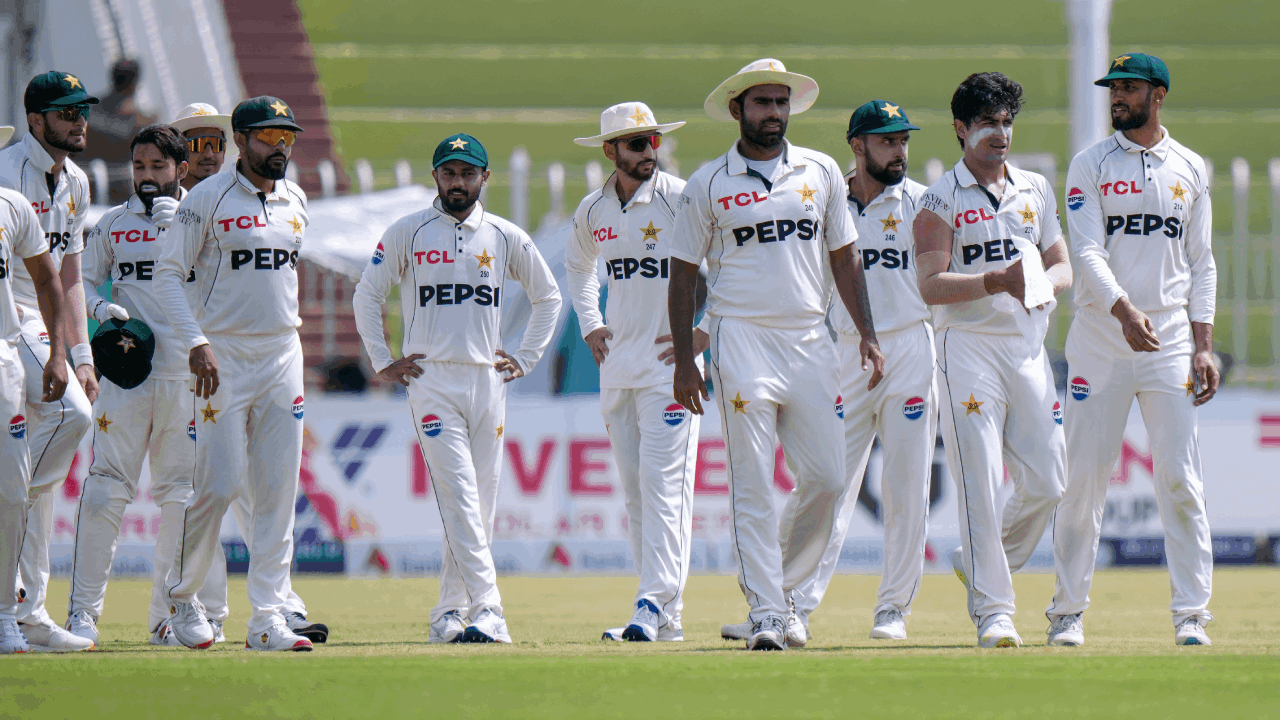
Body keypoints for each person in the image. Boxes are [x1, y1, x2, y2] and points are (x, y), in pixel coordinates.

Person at [668, 59, 885, 651]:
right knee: (754, 483)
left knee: (828, 476)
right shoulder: (708, 183)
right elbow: (683, 272)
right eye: (762, 103)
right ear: (738, 110)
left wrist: (866, 332)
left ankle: (784, 595)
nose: (774, 114)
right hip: (741, 338)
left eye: (781, 102)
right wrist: (687, 360)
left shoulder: (818, 171)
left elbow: (844, 257)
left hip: (811, 339)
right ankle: (765, 610)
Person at [724, 100, 936, 643]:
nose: (899, 151)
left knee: (907, 486)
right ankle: (786, 603)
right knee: (824, 485)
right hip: (840, 350)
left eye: (903, 140)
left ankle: (893, 609)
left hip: (909, 346)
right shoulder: (822, 199)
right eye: (887, 141)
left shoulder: (921, 203)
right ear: (858, 145)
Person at [353, 133, 561, 644]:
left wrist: (526, 357)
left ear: (484, 178)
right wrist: (383, 361)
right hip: (430, 379)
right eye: (449, 173)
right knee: (461, 493)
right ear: (435, 178)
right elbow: (367, 294)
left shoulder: (506, 235)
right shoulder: (409, 231)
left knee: (476, 502)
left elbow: (548, 297)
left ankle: (448, 612)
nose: (458, 183)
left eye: (468, 174)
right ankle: (490, 609)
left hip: (487, 379)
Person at [1047, 53, 1217, 647]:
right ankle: (1068, 611)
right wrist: (1122, 309)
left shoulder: (1191, 168)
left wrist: (1203, 347)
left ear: (1158, 94)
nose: (1117, 97)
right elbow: (1086, 252)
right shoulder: (1089, 164)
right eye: (1113, 88)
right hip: (1100, 337)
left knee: (1179, 479)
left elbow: (1202, 263)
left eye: (1129, 88)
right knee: (1084, 481)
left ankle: (1191, 614)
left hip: (1169, 339)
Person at [147, 101, 326, 645]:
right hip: (222, 355)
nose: (281, 147)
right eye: (269, 136)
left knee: (276, 492)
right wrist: (197, 341)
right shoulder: (206, 199)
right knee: (220, 484)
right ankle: (180, 601)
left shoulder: (295, 200)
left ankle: (269, 617)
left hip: (281, 355)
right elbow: (168, 275)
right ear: (242, 139)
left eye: (287, 138)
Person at [913, 72, 1073, 648]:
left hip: (1027, 348)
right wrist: (995, 281)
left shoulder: (1033, 188)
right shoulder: (939, 198)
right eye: (987, 123)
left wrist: (1041, 285)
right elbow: (930, 285)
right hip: (968, 350)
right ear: (961, 128)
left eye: (1007, 122)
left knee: (1051, 480)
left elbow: (1063, 266)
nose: (1000, 134)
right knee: (979, 480)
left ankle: (981, 560)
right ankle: (994, 613)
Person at [64, 124, 234, 647]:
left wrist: (176, 232)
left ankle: (170, 615)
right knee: (105, 490)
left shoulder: (207, 218)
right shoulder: (112, 224)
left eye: (158, 167)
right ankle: (82, 616)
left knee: (180, 497)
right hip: (128, 375)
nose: (146, 177)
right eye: (139, 167)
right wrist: (98, 308)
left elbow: (227, 284)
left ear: (181, 170)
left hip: (188, 379)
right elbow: (84, 279)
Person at [566, 103, 699, 642]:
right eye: (636, 143)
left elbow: (727, 267)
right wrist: (590, 321)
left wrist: (701, 338)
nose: (650, 151)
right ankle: (668, 617)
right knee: (638, 494)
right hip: (618, 367)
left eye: (653, 141)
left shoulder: (681, 197)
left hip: (672, 369)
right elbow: (578, 267)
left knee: (666, 488)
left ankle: (650, 602)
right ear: (610, 151)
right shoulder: (594, 209)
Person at [0, 71, 99, 653]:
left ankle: (30, 612)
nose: (79, 120)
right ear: (35, 121)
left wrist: (81, 353)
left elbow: (70, 274)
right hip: (11, 314)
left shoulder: (78, 181)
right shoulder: (7, 173)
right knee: (75, 418)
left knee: (36, 487)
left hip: (46, 319)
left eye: (82, 110)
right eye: (66, 112)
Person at [0, 123, 71, 653]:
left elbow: (50, 279)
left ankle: (7, 614)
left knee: (8, 490)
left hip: (4, 355)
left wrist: (58, 353)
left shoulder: (11, 206)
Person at [84, 59, 157, 204]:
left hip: (88, 184)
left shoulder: (90, 110)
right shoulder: (142, 119)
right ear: (134, 84)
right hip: (121, 188)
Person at [169, 103, 239, 191]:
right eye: (198, 144)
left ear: (224, 152)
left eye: (216, 145)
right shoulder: (166, 201)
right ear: (179, 151)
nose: (209, 154)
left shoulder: (234, 200)